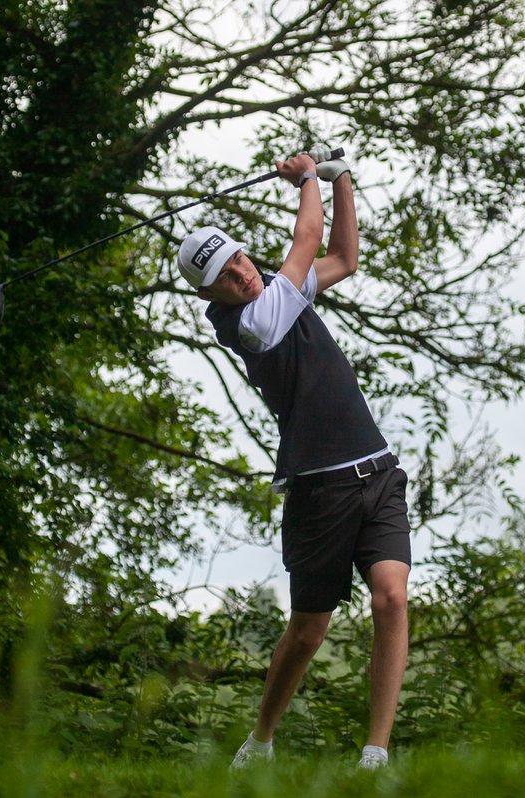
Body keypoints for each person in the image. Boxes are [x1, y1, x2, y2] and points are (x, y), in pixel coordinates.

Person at [176, 146, 411, 771]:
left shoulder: (276, 292)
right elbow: (307, 238)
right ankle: (260, 742)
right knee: (309, 631)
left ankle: (375, 755)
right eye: (225, 276)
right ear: (213, 294)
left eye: (239, 259)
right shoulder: (254, 320)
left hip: (378, 471)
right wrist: (308, 176)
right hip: (320, 491)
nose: (241, 273)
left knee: (391, 597)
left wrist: (340, 182)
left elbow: (342, 258)